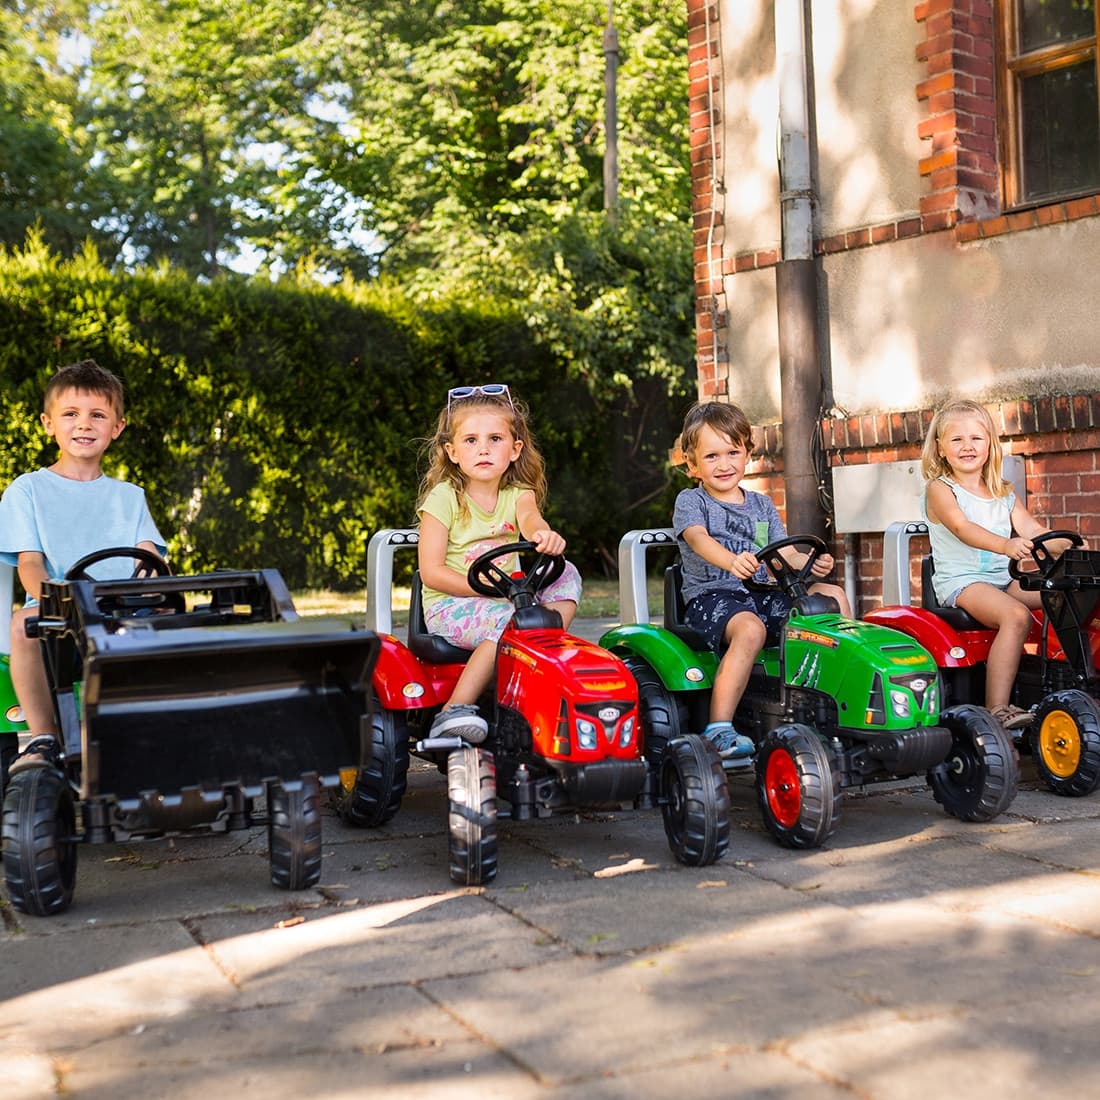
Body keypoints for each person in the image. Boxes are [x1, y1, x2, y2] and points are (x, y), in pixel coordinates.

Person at [0, 359, 167, 773]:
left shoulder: (130, 496)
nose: (84, 424)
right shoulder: (28, 490)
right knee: (24, 625)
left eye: (97, 415)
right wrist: (59, 601)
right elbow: (31, 564)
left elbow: (150, 562)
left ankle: (165, 734)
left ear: (117, 427)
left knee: (172, 618)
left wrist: (156, 593)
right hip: (61, 621)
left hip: (121, 617)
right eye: (71, 414)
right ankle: (44, 739)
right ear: (48, 423)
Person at [674, 401, 850, 762]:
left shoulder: (761, 505)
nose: (724, 464)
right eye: (711, 456)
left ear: (748, 454)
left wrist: (811, 562)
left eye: (732, 452)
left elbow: (782, 554)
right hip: (712, 598)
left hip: (760, 594)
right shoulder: (692, 502)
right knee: (751, 629)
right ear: (692, 464)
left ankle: (835, 696)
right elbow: (698, 539)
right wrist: (730, 560)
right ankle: (720, 728)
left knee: (830, 596)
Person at [417, 384, 582, 742]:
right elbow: (431, 572)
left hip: (507, 598)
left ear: (514, 449)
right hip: (452, 604)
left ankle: (547, 637)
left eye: (495, 439)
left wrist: (544, 535)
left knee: (566, 571)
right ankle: (452, 710)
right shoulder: (444, 497)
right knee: (509, 624)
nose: (484, 449)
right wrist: (483, 589)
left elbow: (531, 518)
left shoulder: (517, 494)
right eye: (471, 441)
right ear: (453, 452)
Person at [921, 398, 1063, 730]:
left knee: (1062, 593)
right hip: (963, 583)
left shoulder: (1003, 491)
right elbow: (962, 527)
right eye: (957, 440)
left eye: (976, 439)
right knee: (1015, 615)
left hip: (1002, 578)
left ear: (989, 445)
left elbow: (1035, 531)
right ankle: (997, 708)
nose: (967, 447)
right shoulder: (941, 489)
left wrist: (1069, 544)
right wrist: (1006, 544)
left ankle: (1065, 682)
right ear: (941, 448)